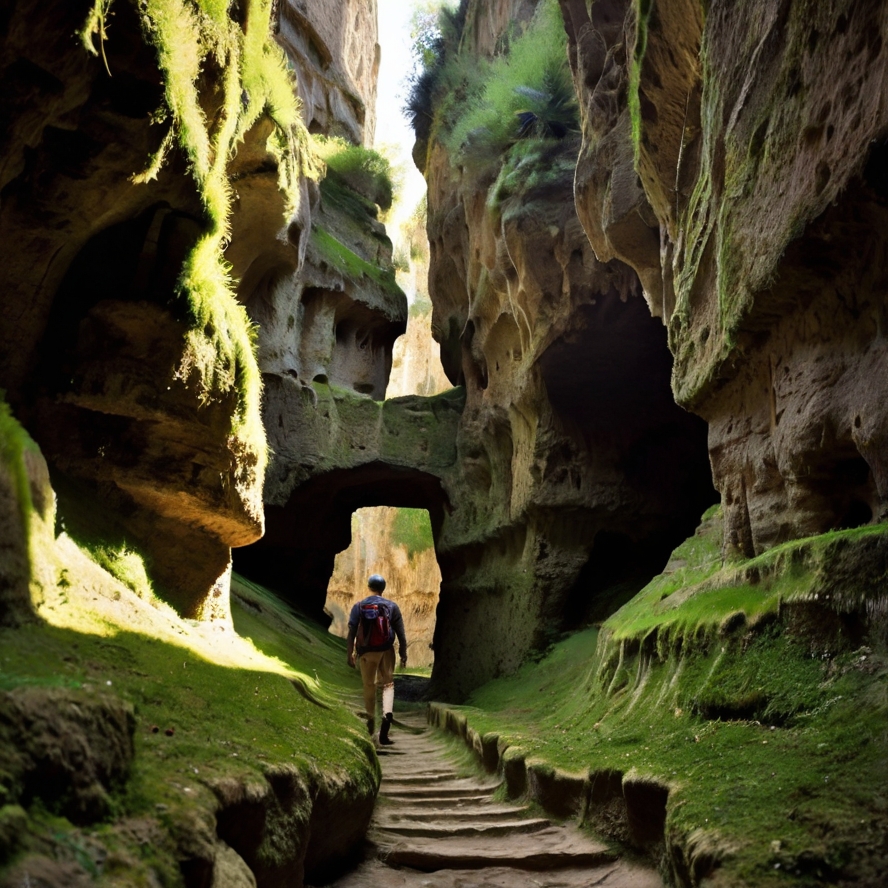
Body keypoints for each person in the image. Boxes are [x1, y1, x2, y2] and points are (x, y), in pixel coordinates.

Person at [346, 574, 407, 746]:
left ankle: (370, 727)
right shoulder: (392, 606)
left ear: (369, 586)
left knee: (368, 686)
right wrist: (403, 653)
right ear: (383, 588)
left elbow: (352, 631)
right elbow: (401, 633)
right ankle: (385, 730)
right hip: (386, 651)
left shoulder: (359, 606)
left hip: (366, 652)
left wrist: (350, 653)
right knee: (387, 686)